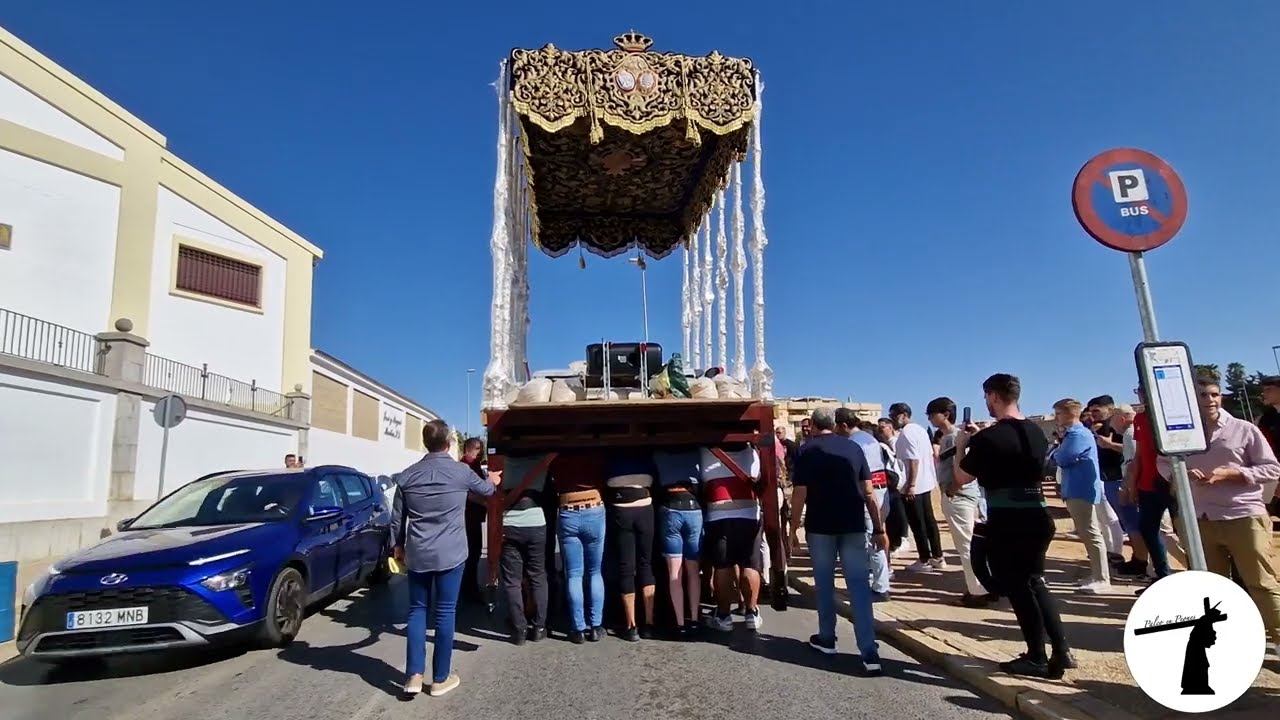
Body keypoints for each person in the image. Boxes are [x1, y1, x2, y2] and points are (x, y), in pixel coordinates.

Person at [954, 374, 1075, 678]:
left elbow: (961, 478)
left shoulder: (989, 438)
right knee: (1036, 582)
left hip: (1008, 518)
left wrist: (961, 447)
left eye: (987, 398)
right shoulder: (1035, 431)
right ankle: (1062, 650)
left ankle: (1036, 656)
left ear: (993, 396)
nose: (986, 403)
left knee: (1019, 589)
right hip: (1038, 515)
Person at [1155, 374, 1280, 650]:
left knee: (1260, 582)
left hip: (1244, 516)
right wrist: (1182, 473)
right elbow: (1163, 462)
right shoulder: (1180, 434)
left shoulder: (1244, 429)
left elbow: (1272, 469)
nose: (1210, 400)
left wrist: (1232, 474)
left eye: (1214, 394)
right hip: (1201, 519)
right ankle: (1230, 643)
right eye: (1202, 395)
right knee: (1213, 589)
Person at [391, 420, 500, 697]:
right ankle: (440, 678)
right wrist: (493, 479)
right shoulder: (460, 472)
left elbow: (396, 519)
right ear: (449, 444)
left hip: (418, 554)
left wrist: (398, 547)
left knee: (416, 610)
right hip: (451, 554)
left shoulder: (406, 476)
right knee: (445, 612)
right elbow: (488, 491)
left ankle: (413, 676)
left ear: (425, 443)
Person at [789, 407, 886, 674]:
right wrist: (879, 528)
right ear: (834, 424)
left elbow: (799, 493)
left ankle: (827, 638)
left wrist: (793, 527)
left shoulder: (807, 450)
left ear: (814, 426)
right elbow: (869, 492)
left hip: (820, 525)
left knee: (824, 583)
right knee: (859, 587)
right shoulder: (854, 448)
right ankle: (869, 652)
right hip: (853, 523)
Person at [930, 397, 995, 607]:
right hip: (958, 494)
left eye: (932, 414)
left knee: (966, 545)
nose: (930, 418)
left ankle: (978, 590)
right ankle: (982, 586)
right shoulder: (951, 436)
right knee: (968, 544)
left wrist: (952, 489)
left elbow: (965, 467)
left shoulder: (957, 438)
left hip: (959, 495)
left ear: (945, 414)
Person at [702, 443, 765, 632]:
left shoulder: (705, 451)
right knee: (751, 564)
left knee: (723, 565)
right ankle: (751, 612)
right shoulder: (753, 453)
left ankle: (723, 615)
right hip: (749, 514)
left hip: (718, 514)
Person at [548, 450, 609, 644]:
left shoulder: (557, 458)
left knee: (574, 574)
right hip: (594, 507)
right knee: (595, 572)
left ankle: (578, 628)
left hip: (567, 510)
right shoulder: (596, 455)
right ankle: (596, 626)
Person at [1051, 399, 1110, 593]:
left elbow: (1063, 457)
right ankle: (1096, 574)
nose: (1056, 418)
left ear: (1070, 413)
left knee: (1091, 533)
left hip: (1080, 489)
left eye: (1059, 413)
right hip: (1075, 488)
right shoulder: (1073, 434)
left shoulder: (1078, 434)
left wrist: (1056, 453)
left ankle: (1102, 578)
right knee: (1087, 533)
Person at [836, 408, 891, 602]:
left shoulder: (853, 444)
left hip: (868, 494)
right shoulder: (870, 438)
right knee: (876, 536)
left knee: (873, 540)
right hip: (881, 490)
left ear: (843, 425)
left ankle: (881, 587)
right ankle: (878, 579)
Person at [605, 451, 658, 641]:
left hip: (621, 507)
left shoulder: (612, 455)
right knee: (646, 564)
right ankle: (649, 623)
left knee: (626, 567)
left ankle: (631, 624)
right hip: (645, 505)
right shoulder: (645, 455)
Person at [498, 452, 550, 645]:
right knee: (538, 576)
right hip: (536, 520)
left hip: (510, 522)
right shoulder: (542, 458)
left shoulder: (505, 460)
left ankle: (519, 630)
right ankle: (539, 627)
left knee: (512, 581)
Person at [654, 448, 704, 637]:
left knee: (674, 571)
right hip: (693, 507)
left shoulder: (660, 454)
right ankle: (695, 618)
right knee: (693, 569)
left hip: (671, 506)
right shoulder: (695, 454)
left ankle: (680, 621)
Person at [889, 403, 945, 571]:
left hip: (914, 485)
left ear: (903, 414)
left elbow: (913, 460)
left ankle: (924, 559)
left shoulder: (907, 433)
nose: (892, 419)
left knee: (918, 523)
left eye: (894, 415)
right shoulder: (920, 430)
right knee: (929, 521)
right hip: (925, 482)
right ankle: (937, 556)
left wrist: (911, 484)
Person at [460, 437, 488, 604]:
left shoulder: (475, 466)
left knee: (475, 554)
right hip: (466, 519)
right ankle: (468, 591)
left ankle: (470, 588)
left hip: (474, 519)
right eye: (478, 448)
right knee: (469, 556)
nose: (480, 452)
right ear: (468, 449)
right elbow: (466, 493)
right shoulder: (465, 466)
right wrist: (485, 502)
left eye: (481, 448)